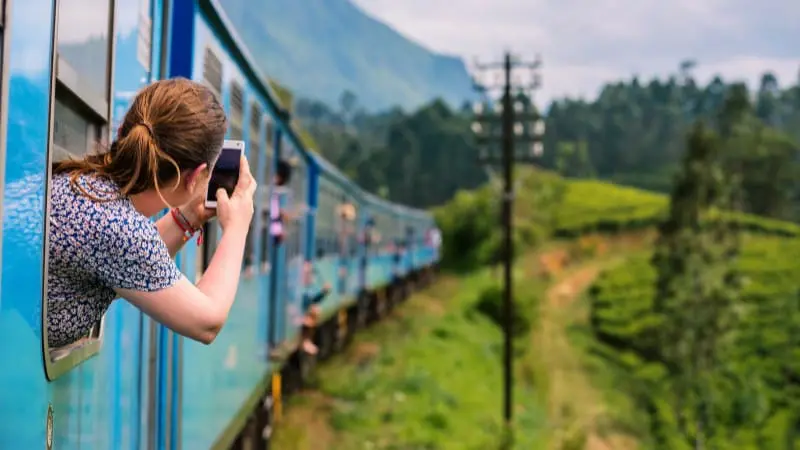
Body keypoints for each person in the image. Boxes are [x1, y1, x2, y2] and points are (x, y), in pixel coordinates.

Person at [47, 77, 257, 349]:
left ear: (123, 130)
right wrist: (237, 227)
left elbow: (127, 261)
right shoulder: (119, 228)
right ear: (194, 178)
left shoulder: (87, 186)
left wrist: (188, 219)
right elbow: (208, 323)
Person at [300, 261, 331, 355]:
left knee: (315, 312)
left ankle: (307, 341)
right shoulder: (300, 288)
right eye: (307, 274)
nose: (310, 277)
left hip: (302, 314)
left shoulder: (307, 288)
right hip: (296, 314)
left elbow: (312, 301)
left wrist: (323, 292)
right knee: (312, 315)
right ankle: (305, 342)